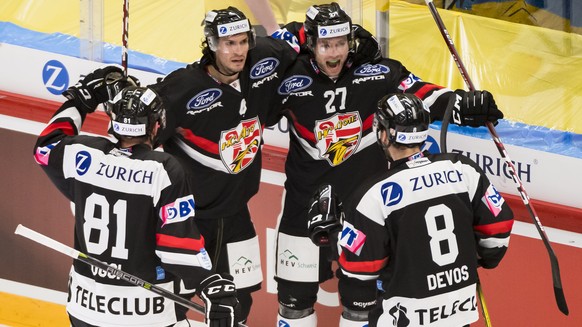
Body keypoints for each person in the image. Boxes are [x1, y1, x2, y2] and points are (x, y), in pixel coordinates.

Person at [270, 3, 506, 327]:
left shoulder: (375, 70)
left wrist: (463, 104)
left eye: (341, 42)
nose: (334, 53)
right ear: (310, 42)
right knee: (293, 308)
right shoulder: (289, 79)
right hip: (303, 210)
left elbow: (421, 95)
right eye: (326, 44)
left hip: (365, 212)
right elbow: (252, 82)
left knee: (361, 310)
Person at [33, 66, 240, 327]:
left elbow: (45, 147)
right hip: (145, 313)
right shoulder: (163, 169)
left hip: (85, 309)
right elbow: (175, 246)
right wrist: (209, 281)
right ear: (156, 125)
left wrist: (81, 99)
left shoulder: (81, 154)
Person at [308, 93, 514, 326]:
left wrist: (333, 232)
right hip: (459, 314)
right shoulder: (463, 169)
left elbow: (360, 268)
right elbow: (499, 229)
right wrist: (478, 259)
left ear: (384, 135)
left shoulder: (374, 194)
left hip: (404, 318)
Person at [148, 7, 299, 324]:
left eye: (244, 41)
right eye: (229, 43)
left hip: (235, 216)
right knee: (171, 303)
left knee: (237, 304)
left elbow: (302, 37)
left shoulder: (263, 58)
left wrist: (361, 50)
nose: (239, 50)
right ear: (211, 44)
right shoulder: (182, 88)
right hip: (187, 219)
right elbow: (137, 140)